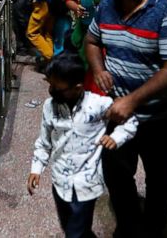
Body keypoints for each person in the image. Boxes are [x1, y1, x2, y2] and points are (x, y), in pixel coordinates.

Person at [85, 0, 167, 236]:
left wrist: (133, 100)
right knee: (117, 176)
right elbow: (92, 41)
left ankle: (154, 228)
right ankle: (128, 226)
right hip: (118, 118)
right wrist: (99, 69)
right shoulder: (106, 6)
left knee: (161, 180)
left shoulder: (165, 13)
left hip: (159, 118)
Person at [29, 52, 138, 238]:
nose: (51, 90)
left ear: (78, 87)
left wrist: (117, 137)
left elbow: (130, 120)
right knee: (67, 223)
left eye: (57, 87)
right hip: (59, 181)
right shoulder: (49, 106)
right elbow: (44, 140)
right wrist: (36, 168)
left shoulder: (97, 104)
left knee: (75, 231)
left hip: (86, 183)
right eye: (50, 84)